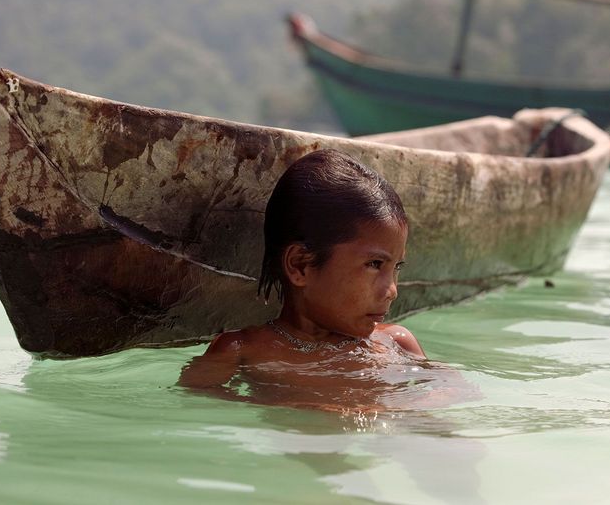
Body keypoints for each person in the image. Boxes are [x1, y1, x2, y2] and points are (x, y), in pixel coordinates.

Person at [178, 149, 473, 411]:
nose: (392, 290)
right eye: (374, 264)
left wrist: (407, 408)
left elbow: (455, 388)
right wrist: (287, 405)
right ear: (301, 266)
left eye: (396, 268)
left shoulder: (396, 342)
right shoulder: (244, 350)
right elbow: (194, 397)